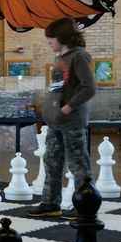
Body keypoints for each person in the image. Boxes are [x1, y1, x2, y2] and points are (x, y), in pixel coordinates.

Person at [29, 18, 96, 218]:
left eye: (51, 39)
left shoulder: (80, 56)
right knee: (52, 161)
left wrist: (67, 108)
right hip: (56, 122)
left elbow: (89, 88)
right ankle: (50, 203)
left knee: (78, 164)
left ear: (62, 37)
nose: (48, 42)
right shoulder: (62, 57)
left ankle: (86, 205)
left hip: (71, 121)